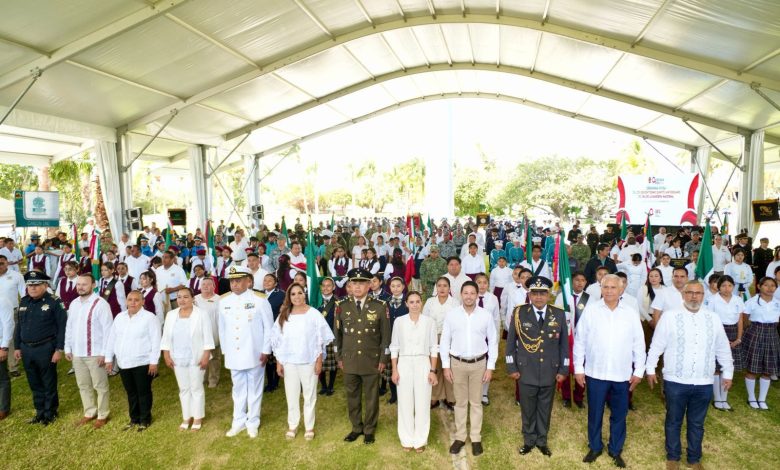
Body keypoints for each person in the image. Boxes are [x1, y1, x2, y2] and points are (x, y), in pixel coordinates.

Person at [646, 280, 733, 470]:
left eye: (698, 293)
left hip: (703, 381)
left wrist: (728, 372)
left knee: (697, 423)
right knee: (673, 420)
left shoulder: (713, 318)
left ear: (704, 296)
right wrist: (650, 369)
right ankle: (673, 457)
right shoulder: (670, 317)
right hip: (676, 380)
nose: (694, 296)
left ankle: (694, 458)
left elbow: (722, 348)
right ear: (683, 295)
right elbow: (657, 345)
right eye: (690, 292)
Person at [574, 275, 646, 468]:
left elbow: (639, 343)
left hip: (621, 375)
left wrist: (639, 371)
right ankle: (595, 446)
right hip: (595, 373)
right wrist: (579, 369)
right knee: (595, 413)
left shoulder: (630, 313)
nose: (609, 291)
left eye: (613, 287)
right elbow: (580, 341)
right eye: (605, 287)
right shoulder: (591, 311)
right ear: (600, 288)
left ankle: (615, 449)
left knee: (619, 415)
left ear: (621, 290)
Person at [507, 276, 568, 457]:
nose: (539, 297)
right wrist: (512, 367)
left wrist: (564, 369)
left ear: (548, 295)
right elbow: (510, 344)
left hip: (550, 370)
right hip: (526, 370)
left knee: (545, 407)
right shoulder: (519, 313)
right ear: (530, 295)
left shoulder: (558, 314)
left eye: (542, 293)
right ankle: (528, 440)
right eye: (535, 293)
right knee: (527, 407)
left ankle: (542, 440)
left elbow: (564, 345)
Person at [440, 281, 499, 457]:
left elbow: (493, 342)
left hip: (479, 364)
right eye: (465, 293)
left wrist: (490, 367)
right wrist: (445, 366)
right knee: (460, 403)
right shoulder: (452, 315)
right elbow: (445, 341)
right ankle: (460, 437)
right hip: (457, 363)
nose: (469, 296)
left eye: (472, 293)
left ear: (477, 295)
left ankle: (475, 438)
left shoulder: (485, 316)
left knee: (475, 402)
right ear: (460, 294)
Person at [333, 268, 391, 445]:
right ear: (349, 285)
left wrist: (383, 359)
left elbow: (386, 336)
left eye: (362, 283)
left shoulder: (380, 306)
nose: (357, 287)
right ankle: (356, 427)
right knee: (352, 395)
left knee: (372, 396)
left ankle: (369, 429)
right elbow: (338, 335)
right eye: (354, 283)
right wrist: (339, 357)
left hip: (371, 360)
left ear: (369, 285)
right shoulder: (341, 306)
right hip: (349, 359)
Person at [271, 284, 334, 440]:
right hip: (289, 362)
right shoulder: (284, 315)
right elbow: (278, 340)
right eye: (293, 294)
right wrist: (279, 362)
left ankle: (309, 426)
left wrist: (319, 360)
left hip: (309, 361)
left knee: (309, 395)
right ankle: (293, 425)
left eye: (300, 293)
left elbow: (320, 339)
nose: (297, 296)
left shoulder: (314, 314)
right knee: (291, 395)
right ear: (289, 296)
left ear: (304, 294)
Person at [219, 266, 274, 438]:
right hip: (234, 354)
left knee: (255, 389)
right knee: (238, 389)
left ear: (248, 281)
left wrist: (266, 350)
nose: (234, 284)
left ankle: (253, 422)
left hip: (254, 352)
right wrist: (225, 351)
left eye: (238, 281)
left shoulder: (260, 299)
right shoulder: (223, 301)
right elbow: (222, 329)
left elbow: (269, 328)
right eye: (232, 281)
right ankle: (238, 421)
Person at [14, 271, 67, 425]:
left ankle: (50, 413)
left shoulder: (54, 302)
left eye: (36, 285)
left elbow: (62, 327)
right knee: (34, 382)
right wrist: (17, 347)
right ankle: (40, 412)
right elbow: (19, 326)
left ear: (45, 285)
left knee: (48, 382)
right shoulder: (24, 301)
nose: (33, 288)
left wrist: (59, 349)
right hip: (27, 349)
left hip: (46, 348)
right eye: (30, 285)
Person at [104, 291, 161, 431]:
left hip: (142, 362)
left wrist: (154, 361)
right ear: (126, 301)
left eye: (136, 300)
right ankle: (134, 419)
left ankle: (145, 419)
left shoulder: (149, 318)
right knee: (131, 393)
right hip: (124, 362)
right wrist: (108, 358)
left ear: (142, 302)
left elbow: (156, 341)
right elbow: (112, 339)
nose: (133, 302)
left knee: (143, 392)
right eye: (130, 299)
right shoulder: (119, 317)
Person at [390, 290, 438, 452]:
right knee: (405, 402)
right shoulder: (399, 322)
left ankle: (420, 440)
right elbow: (394, 347)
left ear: (422, 303)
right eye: (411, 302)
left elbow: (433, 348)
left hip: (422, 362)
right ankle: (407, 438)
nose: (415, 305)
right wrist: (395, 370)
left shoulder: (429, 322)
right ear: (406, 304)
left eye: (418, 301)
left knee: (423, 402)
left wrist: (432, 370)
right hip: (404, 362)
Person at [64, 274, 113, 428]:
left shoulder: (101, 304)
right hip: (78, 353)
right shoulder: (74, 304)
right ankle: (89, 412)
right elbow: (69, 327)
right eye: (78, 284)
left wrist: (104, 353)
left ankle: (103, 414)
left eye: (84, 284)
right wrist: (67, 347)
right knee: (83, 385)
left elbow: (108, 331)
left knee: (100, 385)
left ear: (93, 285)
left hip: (95, 353)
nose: (80, 287)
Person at [161, 288, 213, 431]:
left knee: (196, 387)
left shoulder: (201, 314)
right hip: (177, 356)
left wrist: (206, 355)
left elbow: (208, 336)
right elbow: (166, 337)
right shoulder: (171, 315)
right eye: (179, 297)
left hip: (196, 357)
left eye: (185, 297)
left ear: (192, 299)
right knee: (184, 388)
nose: (182, 300)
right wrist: (166, 354)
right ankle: (187, 416)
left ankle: (197, 417)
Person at [703, 275, 744, 410]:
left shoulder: (738, 300)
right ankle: (717, 398)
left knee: (727, 366)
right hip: (718, 331)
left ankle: (724, 398)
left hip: (732, 332)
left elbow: (740, 321)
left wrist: (738, 338)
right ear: (718, 287)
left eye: (730, 286)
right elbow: (709, 320)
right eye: (723, 286)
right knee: (716, 368)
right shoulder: (711, 300)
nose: (727, 289)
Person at [742, 277, 780, 410]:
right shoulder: (752, 302)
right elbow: (745, 319)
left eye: (773, 286)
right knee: (752, 368)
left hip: (772, 334)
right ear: (759, 286)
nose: (770, 288)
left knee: (768, 370)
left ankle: (762, 399)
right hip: (755, 333)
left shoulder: (777, 303)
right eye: (766, 285)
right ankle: (751, 397)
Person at [554, 271, 589, 408]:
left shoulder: (589, 299)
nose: (580, 283)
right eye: (577, 280)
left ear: (586, 282)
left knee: (582, 366)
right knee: (566, 366)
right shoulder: (563, 297)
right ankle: (566, 396)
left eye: (583, 280)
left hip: (583, 339)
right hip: (566, 337)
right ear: (571, 282)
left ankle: (579, 396)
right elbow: (556, 317)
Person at [422, 276, 458, 409]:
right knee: (434, 367)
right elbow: (424, 321)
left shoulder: (455, 302)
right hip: (432, 338)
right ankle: (435, 397)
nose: (442, 288)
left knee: (449, 368)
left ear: (449, 288)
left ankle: (451, 398)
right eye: (439, 286)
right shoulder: (430, 302)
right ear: (435, 288)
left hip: (450, 338)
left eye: (445, 286)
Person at [0, 255, 25, 377]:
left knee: (10, 338)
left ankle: (13, 366)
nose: (0, 266)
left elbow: (24, 293)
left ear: (7, 263)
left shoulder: (16, 276)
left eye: (1, 263)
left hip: (12, 310)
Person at [194, 277, 221, 388]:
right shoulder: (195, 299)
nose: (205, 286)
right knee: (200, 356)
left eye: (209, 284)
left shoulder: (219, 299)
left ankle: (213, 379)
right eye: (203, 284)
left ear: (214, 287)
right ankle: (202, 378)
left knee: (214, 357)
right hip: (199, 334)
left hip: (214, 332)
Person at [317, 277, 338, 396]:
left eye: (329, 285)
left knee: (332, 363)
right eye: (323, 285)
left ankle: (330, 386)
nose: (326, 288)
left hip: (331, 335)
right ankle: (323, 386)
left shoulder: (337, 302)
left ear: (334, 287)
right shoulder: (315, 301)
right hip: (318, 336)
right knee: (320, 361)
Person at [0, 295, 13, 419]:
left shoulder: (3, 300)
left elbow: (8, 323)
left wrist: (4, 347)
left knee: (2, 379)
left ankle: (3, 409)